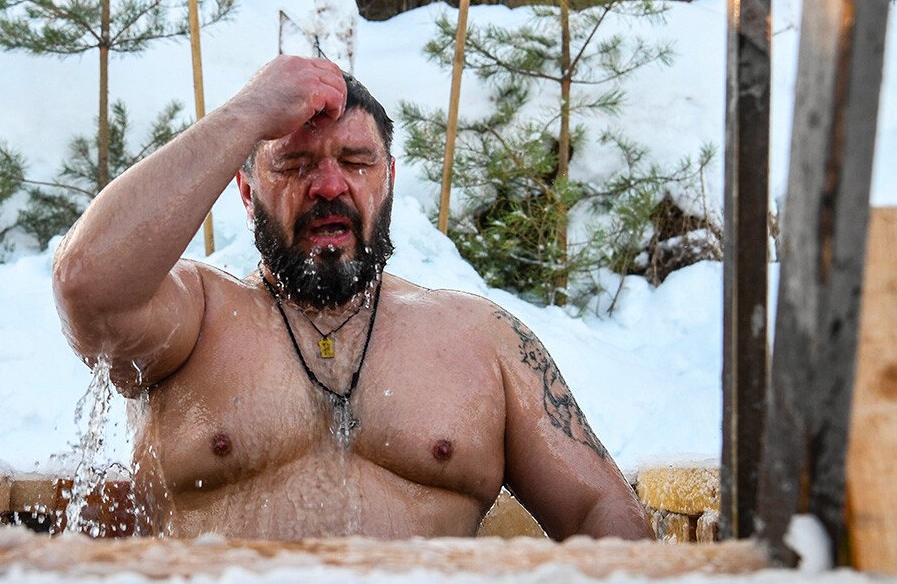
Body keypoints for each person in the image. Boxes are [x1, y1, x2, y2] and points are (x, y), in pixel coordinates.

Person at [52, 55, 650, 540]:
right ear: (244, 187)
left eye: (357, 162)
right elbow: (88, 282)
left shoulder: (480, 341)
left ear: (388, 177)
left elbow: (603, 513)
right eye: (294, 164)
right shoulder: (192, 318)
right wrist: (248, 114)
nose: (330, 185)